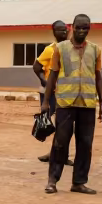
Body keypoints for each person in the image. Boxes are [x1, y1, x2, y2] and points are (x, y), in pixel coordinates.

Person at [43, 14, 102, 194]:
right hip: (65, 103)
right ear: (72, 27)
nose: (81, 31)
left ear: (89, 29)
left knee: (85, 144)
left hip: (87, 104)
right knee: (60, 143)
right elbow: (53, 75)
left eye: (85, 28)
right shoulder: (60, 49)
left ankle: (78, 182)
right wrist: (46, 102)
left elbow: (98, 77)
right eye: (78, 27)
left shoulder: (95, 50)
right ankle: (52, 180)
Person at [33, 21, 72, 163]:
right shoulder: (50, 49)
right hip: (50, 92)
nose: (63, 33)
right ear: (54, 32)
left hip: (66, 91)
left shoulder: (70, 48)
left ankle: (59, 154)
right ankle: (56, 154)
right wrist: (46, 82)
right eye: (60, 30)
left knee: (64, 124)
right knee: (52, 123)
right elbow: (36, 67)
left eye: (65, 30)